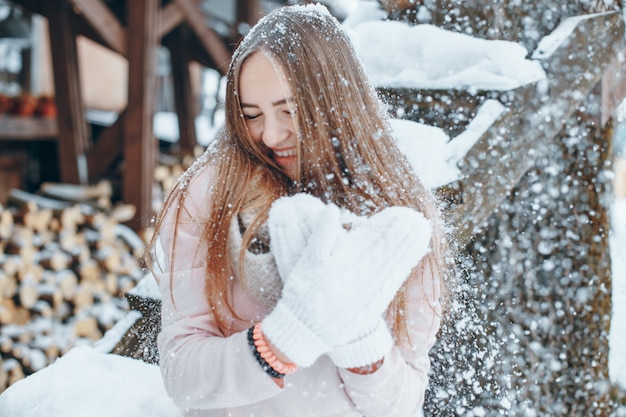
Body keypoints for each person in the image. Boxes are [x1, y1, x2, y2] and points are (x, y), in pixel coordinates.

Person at [146, 3, 451, 416]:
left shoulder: (396, 214)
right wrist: (281, 341)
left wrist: (359, 336)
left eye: (289, 111)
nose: (269, 135)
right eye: (251, 115)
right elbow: (183, 373)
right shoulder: (209, 196)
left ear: (337, 102)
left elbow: (402, 403)